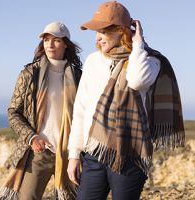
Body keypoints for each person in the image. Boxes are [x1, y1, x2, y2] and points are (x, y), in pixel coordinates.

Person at [67, 1, 185, 200]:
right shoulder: (93, 61)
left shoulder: (148, 60)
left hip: (129, 155)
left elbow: (137, 80)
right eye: (96, 32)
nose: (97, 38)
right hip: (93, 151)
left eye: (103, 31)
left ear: (120, 31)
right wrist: (73, 154)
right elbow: (81, 109)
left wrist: (138, 44)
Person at [0, 22, 82, 200]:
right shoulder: (29, 74)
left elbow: (85, 114)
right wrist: (31, 137)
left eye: (56, 40)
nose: (50, 44)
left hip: (70, 153)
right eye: (46, 39)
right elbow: (13, 112)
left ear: (66, 44)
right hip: (38, 153)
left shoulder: (78, 76)